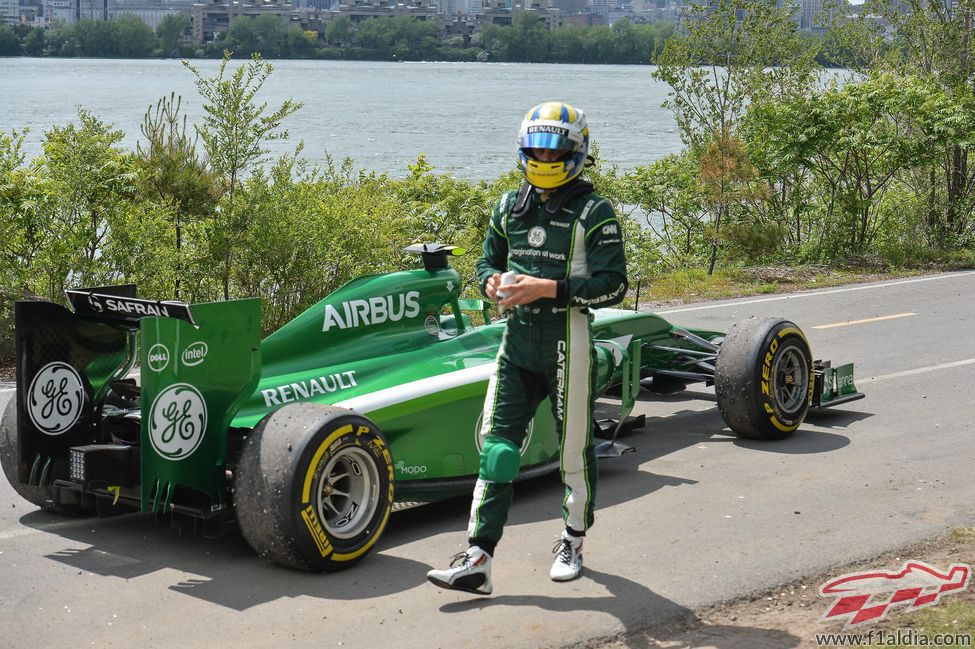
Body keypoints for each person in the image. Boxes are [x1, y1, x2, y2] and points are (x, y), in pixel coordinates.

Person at [426, 101, 628, 595]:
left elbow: (614, 285)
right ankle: (478, 558)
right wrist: (493, 284)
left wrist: (546, 288)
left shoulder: (593, 211)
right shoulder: (507, 206)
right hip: (516, 343)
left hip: (568, 340)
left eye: (554, 149)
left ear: (576, 152)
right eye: (536, 148)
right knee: (496, 450)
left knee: (572, 452)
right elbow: (484, 261)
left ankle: (573, 540)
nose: (544, 156)